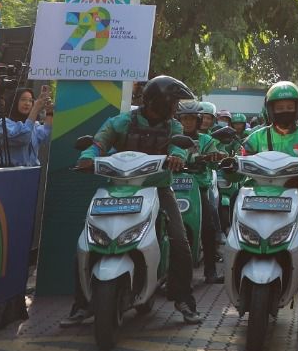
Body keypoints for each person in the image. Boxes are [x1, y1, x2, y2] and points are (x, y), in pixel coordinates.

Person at [68, 75, 201, 325]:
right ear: (159, 102)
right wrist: (87, 156)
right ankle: (82, 304)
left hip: (158, 189)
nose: (175, 108)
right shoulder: (121, 122)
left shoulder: (173, 126)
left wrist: (177, 157)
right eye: (173, 103)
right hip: (118, 190)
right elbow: (98, 143)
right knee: (87, 240)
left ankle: (183, 299)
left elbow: (178, 147)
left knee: (180, 241)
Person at [239, 81, 298, 326]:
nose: (284, 111)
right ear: (270, 109)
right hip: (256, 202)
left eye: (289, 107)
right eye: (279, 107)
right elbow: (240, 162)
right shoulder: (256, 137)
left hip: (294, 203)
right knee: (236, 239)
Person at [176, 100, 223, 284]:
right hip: (172, 186)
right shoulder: (173, 137)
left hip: (197, 188)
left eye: (191, 118)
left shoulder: (206, 140)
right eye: (184, 118)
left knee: (208, 226)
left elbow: (215, 160)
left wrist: (214, 158)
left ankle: (210, 271)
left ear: (198, 120)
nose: (188, 122)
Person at [0, 87, 50, 167]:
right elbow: (24, 137)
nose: (27, 103)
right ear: (14, 101)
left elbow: (47, 137)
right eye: (23, 99)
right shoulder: (3, 123)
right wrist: (36, 108)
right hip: (10, 172)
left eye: (31, 101)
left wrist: (50, 112)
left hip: (32, 172)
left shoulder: (34, 124)